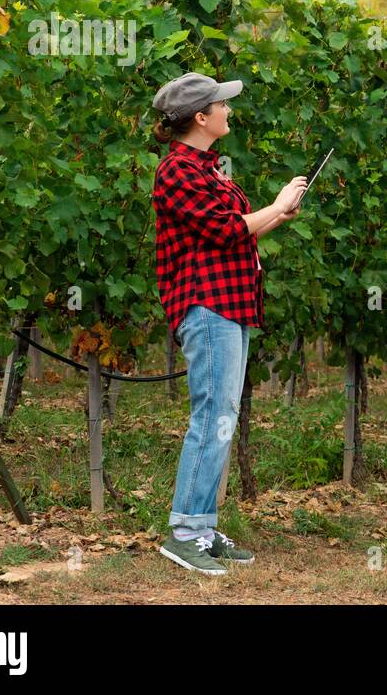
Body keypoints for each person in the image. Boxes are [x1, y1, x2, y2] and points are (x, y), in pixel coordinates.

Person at [149, 72, 307, 575]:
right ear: (201, 117)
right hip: (206, 305)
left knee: (223, 417)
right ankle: (183, 534)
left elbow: (235, 233)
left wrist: (279, 215)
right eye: (221, 104)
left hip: (231, 304)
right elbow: (222, 230)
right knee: (212, 415)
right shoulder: (177, 171)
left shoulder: (209, 169)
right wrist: (275, 205)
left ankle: (201, 524)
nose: (229, 110)